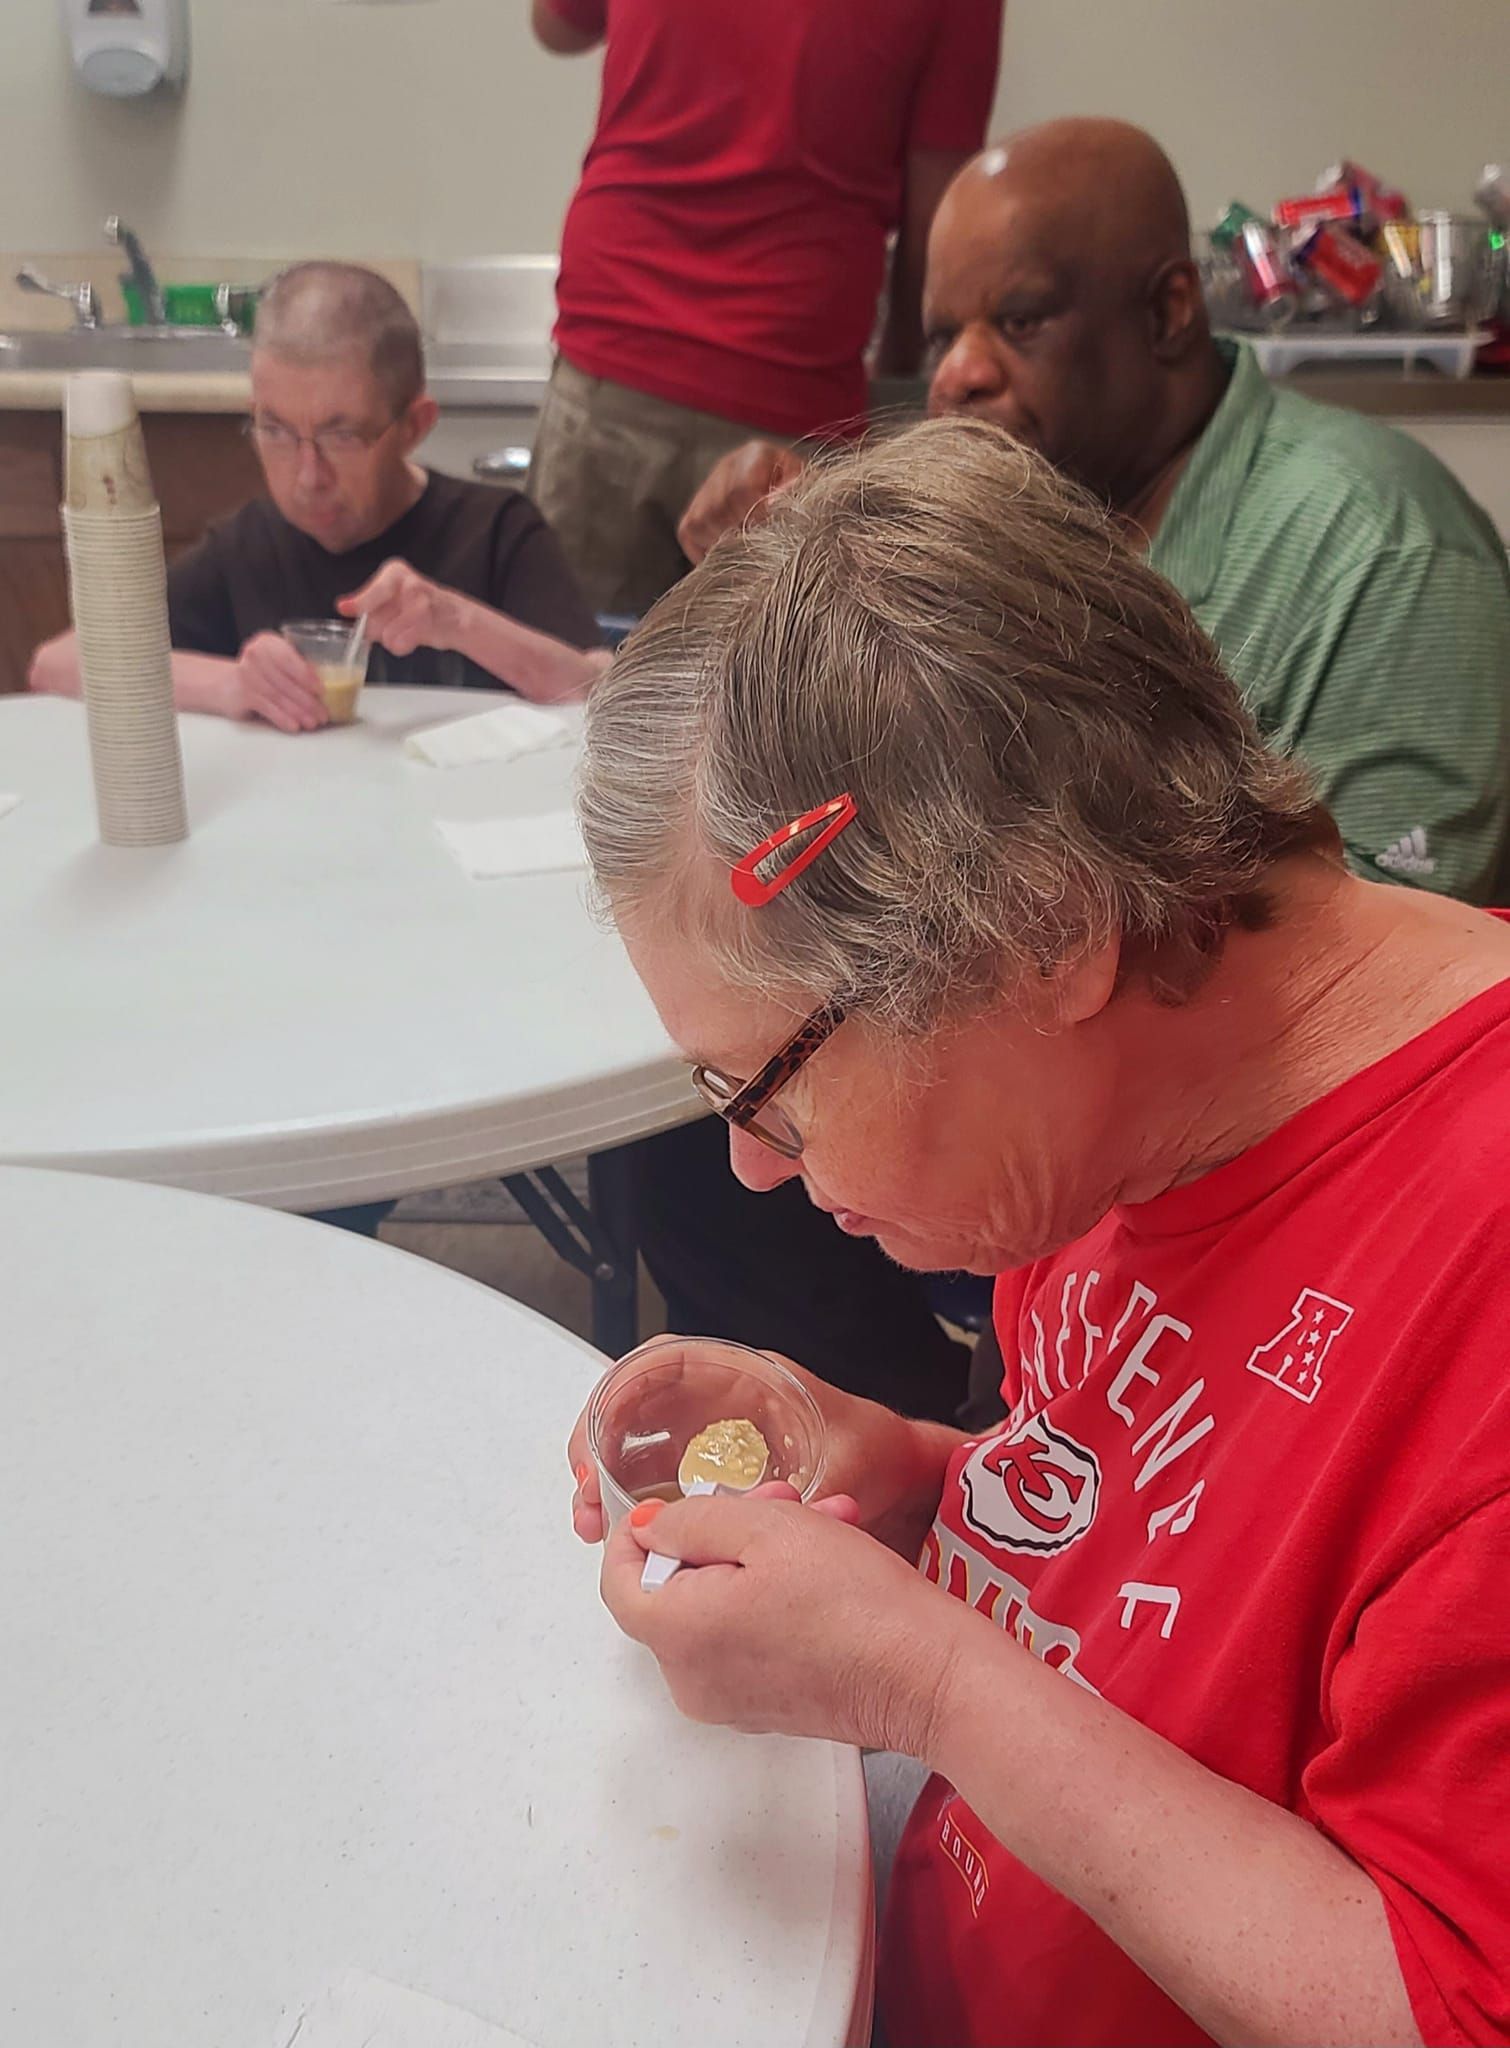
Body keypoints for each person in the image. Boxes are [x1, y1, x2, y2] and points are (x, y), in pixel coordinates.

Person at [568, 416, 1510, 2048]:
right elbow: (1171, 1540)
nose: (752, 1169)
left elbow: (1443, 2000)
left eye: (770, 1082)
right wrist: (924, 1482)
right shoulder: (1115, 1108)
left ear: (1047, 931)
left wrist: (924, 1681)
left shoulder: (1469, 1274)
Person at [682, 117, 1510, 905]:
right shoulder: (1030, 516)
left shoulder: (1386, 550)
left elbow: (1380, 966)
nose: (956, 376)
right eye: (943, 337)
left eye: (1019, 321)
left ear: (1168, 311)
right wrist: (792, 599)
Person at [526, 0, 1003, 617]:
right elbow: (936, 208)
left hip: (618, 348)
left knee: (571, 681)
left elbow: (556, 26)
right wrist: (902, 375)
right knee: (783, 697)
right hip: (794, 380)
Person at [30, 262, 605, 729]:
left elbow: (605, 692)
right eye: (275, 430)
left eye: (342, 435)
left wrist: (456, 620)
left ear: (414, 425)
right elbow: (56, 663)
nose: (307, 476)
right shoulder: (247, 547)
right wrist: (231, 683)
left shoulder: (495, 531)